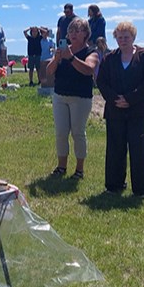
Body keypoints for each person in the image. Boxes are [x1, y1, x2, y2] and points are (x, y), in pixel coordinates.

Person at [96, 22, 144, 197]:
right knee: (115, 149)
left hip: (139, 111)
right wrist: (116, 99)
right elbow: (101, 81)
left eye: (126, 37)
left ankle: (143, 189)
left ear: (133, 37)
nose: (123, 40)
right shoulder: (109, 58)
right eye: (119, 37)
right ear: (115, 38)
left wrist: (130, 99)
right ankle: (114, 186)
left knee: (140, 150)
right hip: (115, 111)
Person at [47, 18, 99, 179]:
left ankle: (79, 170)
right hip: (60, 96)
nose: (73, 34)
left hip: (80, 98)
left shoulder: (91, 52)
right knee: (61, 133)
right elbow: (49, 72)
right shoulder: (62, 50)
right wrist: (56, 60)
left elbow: (89, 70)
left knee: (78, 133)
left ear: (86, 34)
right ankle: (61, 167)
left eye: (78, 31)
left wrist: (70, 58)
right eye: (71, 31)